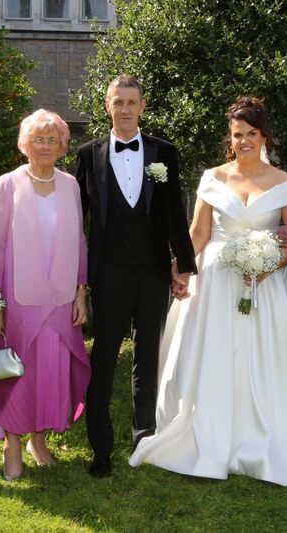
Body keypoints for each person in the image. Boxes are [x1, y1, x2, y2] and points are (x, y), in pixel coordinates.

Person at [128, 96, 287, 487]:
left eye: (252, 133)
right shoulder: (212, 177)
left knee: (268, 360)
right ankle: (209, 429)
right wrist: (179, 265)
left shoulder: (285, 182)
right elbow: (198, 233)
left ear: (264, 136)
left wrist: (268, 267)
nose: (245, 141)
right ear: (229, 138)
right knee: (213, 358)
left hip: (267, 286)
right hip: (214, 284)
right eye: (238, 135)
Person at [76, 75, 197, 478]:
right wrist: (77, 277)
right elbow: (77, 218)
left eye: (131, 102)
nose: (125, 109)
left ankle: (144, 436)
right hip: (107, 272)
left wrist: (183, 264)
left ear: (142, 107)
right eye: (118, 102)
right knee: (104, 357)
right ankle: (101, 447)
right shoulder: (87, 154)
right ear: (107, 106)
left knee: (148, 355)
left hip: (151, 273)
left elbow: (175, 214)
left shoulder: (164, 152)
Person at [0, 109, 91, 481]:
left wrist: (80, 291)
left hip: (59, 299)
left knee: (50, 373)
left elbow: (78, 241)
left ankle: (38, 441)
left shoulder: (71, 185)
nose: (44, 145)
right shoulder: (8, 184)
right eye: (37, 138)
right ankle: (11, 444)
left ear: (62, 145)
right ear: (24, 143)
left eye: (52, 139)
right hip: (17, 298)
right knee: (13, 371)